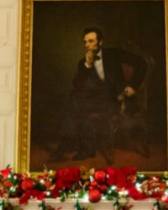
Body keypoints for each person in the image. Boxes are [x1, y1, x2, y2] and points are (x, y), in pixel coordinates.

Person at [52, 27, 146, 162]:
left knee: (76, 103)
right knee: (75, 98)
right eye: (85, 42)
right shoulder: (83, 63)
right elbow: (77, 85)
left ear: (100, 42)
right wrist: (88, 65)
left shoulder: (114, 53)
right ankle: (84, 148)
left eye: (91, 41)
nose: (87, 45)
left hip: (119, 99)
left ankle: (67, 143)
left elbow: (142, 63)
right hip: (100, 101)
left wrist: (132, 85)